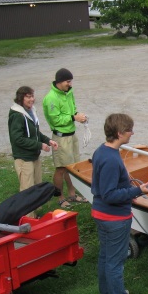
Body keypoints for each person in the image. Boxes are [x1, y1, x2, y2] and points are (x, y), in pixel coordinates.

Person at [91, 113, 148, 294]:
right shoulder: (110, 159)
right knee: (115, 263)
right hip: (114, 218)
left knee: (106, 257)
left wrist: (127, 193)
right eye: (129, 130)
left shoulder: (102, 151)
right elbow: (109, 194)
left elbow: (104, 188)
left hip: (102, 214)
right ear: (119, 133)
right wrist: (137, 191)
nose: (132, 133)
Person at [42, 68, 88, 208]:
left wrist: (78, 116)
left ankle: (72, 194)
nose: (70, 84)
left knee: (72, 167)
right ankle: (60, 197)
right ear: (60, 81)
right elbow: (55, 120)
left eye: (71, 81)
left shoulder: (68, 92)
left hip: (71, 134)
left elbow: (72, 108)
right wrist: (74, 117)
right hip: (61, 138)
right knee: (61, 168)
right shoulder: (51, 98)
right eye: (68, 81)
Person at [8, 86, 58, 197]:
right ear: (21, 98)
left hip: (34, 156)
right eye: (28, 97)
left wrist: (48, 141)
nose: (32, 99)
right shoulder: (17, 115)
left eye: (32, 96)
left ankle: (36, 213)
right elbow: (17, 139)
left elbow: (35, 133)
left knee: (37, 186)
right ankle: (28, 214)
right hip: (24, 159)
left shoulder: (31, 111)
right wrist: (40, 145)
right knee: (27, 190)